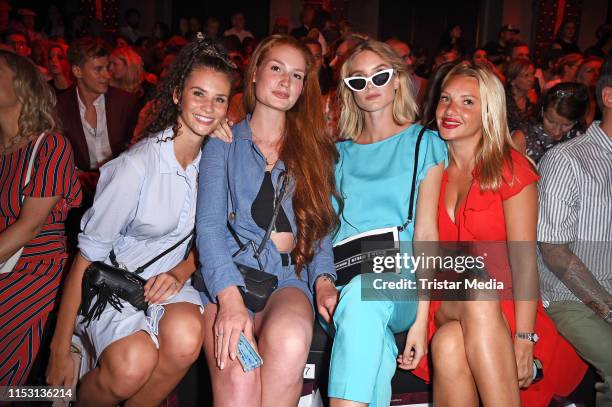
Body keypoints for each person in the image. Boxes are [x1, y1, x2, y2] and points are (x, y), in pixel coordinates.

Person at [45, 38, 234, 405]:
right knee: (134, 362)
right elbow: (85, 258)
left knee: (187, 337)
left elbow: (214, 236)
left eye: (220, 99)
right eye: (199, 94)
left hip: (167, 283)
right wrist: (57, 347)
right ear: (177, 95)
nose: (208, 108)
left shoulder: (215, 161)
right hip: (112, 288)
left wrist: (180, 272)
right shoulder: (137, 167)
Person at [412, 63, 587, 407]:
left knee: (449, 345)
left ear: (489, 111)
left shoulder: (511, 169)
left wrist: (524, 338)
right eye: (446, 99)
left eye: (467, 102)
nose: (450, 110)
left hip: (505, 306)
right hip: (444, 299)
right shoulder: (428, 166)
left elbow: (524, 263)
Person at [196, 34, 339, 407]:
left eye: (296, 76)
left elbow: (319, 233)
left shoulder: (313, 150)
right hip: (230, 279)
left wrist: (324, 281)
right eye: (276, 68)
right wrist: (229, 301)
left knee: (292, 339)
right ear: (255, 73)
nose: (284, 82)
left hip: (286, 280)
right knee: (240, 387)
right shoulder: (222, 142)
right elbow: (209, 228)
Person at [322, 40, 446, 407]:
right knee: (368, 343)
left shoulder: (425, 142)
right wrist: (323, 283)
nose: (370, 86)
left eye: (380, 75)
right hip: (346, 285)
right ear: (349, 92)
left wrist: (422, 320)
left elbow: (425, 234)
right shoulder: (338, 154)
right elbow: (326, 232)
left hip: (402, 285)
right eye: (358, 80)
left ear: (398, 80)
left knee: (364, 296)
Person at [0, 50, 82, 385]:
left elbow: (28, 227)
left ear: (22, 86)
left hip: (34, 271)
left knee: (10, 388)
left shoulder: (50, 147)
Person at [537, 56, 612, 407]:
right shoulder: (569, 159)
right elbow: (554, 251)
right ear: (608, 97)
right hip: (572, 297)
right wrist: (608, 309)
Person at [513, 82, 589, 162]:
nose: (557, 132)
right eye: (551, 121)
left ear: (577, 120)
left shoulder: (581, 138)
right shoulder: (523, 139)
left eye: (567, 125)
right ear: (542, 111)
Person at [504, 58, 537, 133]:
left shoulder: (532, 98)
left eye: (532, 74)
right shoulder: (504, 100)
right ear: (512, 81)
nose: (532, 79)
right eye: (526, 76)